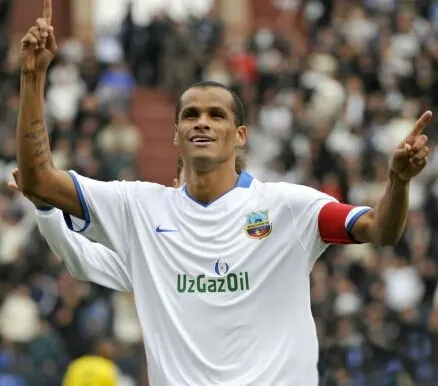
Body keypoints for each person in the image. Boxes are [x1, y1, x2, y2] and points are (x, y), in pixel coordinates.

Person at [16, 1, 432, 384]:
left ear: (240, 135)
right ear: (176, 135)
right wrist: (33, 76)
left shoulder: (288, 207)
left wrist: (397, 181)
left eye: (217, 115)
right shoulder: (138, 207)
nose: (202, 123)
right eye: (190, 115)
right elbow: (38, 181)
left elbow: (381, 229)